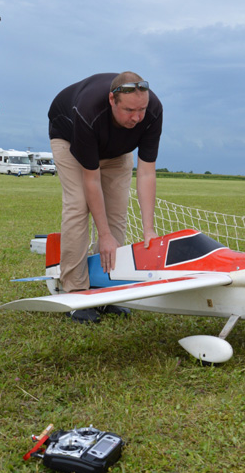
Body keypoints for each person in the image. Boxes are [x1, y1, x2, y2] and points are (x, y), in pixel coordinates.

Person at [48, 72, 163, 323]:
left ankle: (104, 288)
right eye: (130, 110)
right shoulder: (89, 110)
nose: (137, 117)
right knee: (78, 205)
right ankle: (76, 292)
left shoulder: (153, 110)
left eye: (141, 109)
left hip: (117, 150)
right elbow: (92, 179)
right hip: (70, 139)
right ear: (112, 100)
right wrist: (104, 234)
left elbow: (146, 173)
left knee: (117, 211)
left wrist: (149, 229)